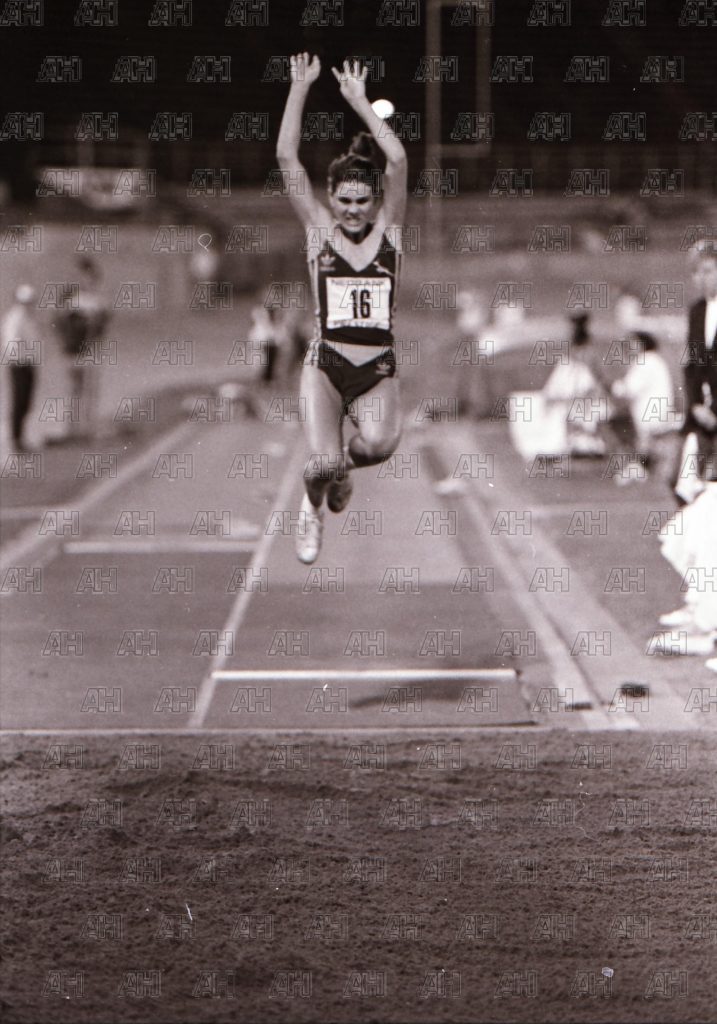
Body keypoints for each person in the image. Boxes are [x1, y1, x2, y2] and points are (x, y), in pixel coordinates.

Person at [276, 54, 407, 563]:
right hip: (327, 365)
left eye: (362, 201)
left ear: (376, 202)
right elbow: (287, 158)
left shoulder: (389, 233)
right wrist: (299, 88)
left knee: (379, 446)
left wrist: (358, 100)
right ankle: (311, 509)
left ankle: (342, 474)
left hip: (376, 368)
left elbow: (397, 160)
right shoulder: (318, 233)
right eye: (345, 200)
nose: (353, 210)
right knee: (322, 464)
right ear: (331, 197)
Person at [610, 331, 680, 485]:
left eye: (633, 343)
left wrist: (613, 387)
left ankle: (637, 468)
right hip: (659, 411)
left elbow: (629, 388)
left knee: (620, 428)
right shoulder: (655, 360)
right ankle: (640, 467)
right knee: (646, 443)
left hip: (650, 414)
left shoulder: (645, 361)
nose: (629, 347)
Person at [541, 312, 613, 456]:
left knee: (589, 414)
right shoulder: (571, 360)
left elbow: (596, 380)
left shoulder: (588, 357)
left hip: (588, 398)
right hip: (577, 396)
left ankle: (589, 442)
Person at [55, 257, 111, 440]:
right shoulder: (70, 299)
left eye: (90, 276)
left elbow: (102, 324)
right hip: (74, 349)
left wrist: (95, 325)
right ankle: (72, 428)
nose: (87, 280)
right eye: (84, 276)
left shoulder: (97, 300)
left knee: (90, 388)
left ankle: (87, 428)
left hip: (91, 349)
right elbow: (59, 323)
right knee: (74, 388)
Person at [1, 284, 39, 452]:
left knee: (26, 402)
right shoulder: (15, 318)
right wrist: (19, 360)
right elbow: (12, 342)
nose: (28, 304)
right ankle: (15, 440)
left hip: (28, 364)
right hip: (19, 365)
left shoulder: (28, 318)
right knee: (19, 401)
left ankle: (20, 438)